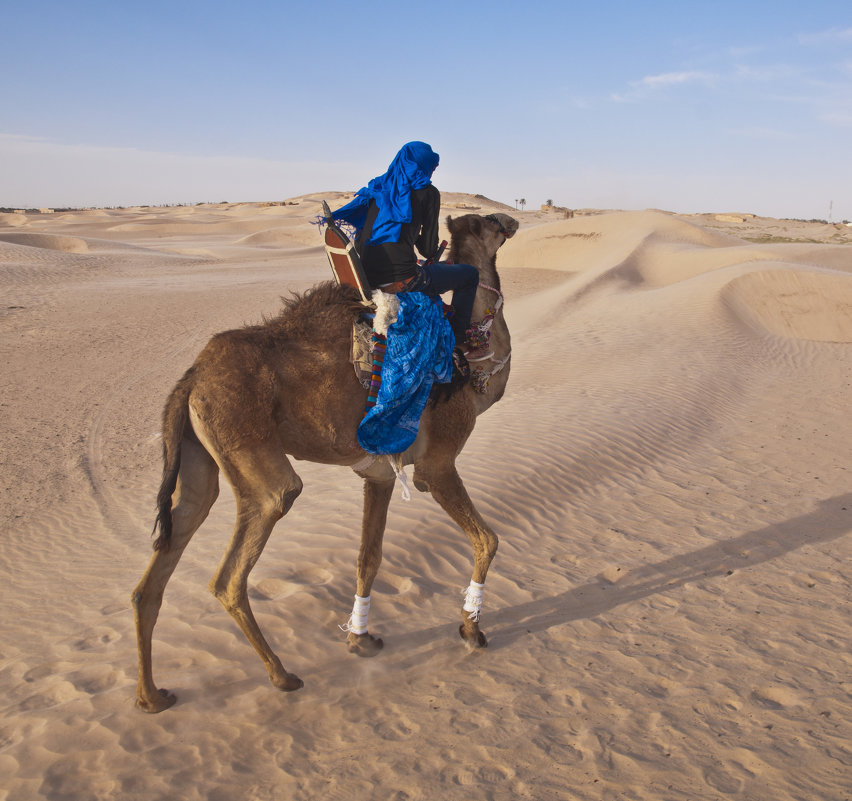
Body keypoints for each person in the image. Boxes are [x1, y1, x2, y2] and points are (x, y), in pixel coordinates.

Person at [331, 141, 488, 360]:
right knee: (469, 275)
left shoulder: (378, 188)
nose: (431, 174)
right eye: (431, 168)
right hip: (403, 280)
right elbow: (427, 249)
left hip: (365, 278)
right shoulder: (428, 193)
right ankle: (459, 342)